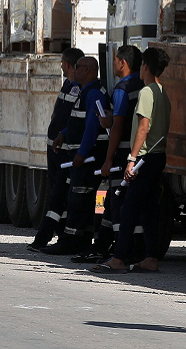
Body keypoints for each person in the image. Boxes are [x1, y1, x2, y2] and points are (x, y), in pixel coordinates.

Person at [92, 47, 172, 274]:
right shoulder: (162, 92)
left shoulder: (147, 92)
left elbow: (143, 127)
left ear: (145, 66)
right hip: (158, 156)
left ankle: (119, 258)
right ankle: (150, 257)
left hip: (145, 158)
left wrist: (131, 159)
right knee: (148, 208)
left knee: (128, 207)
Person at [77, 45, 144, 264]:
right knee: (124, 203)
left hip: (123, 154)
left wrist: (108, 159)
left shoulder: (122, 89)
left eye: (115, 60)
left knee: (117, 203)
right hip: (140, 154)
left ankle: (121, 252)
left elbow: (118, 126)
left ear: (123, 63)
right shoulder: (142, 86)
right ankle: (110, 247)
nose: (113, 64)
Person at [29, 47, 84, 253]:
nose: (61, 66)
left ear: (68, 64)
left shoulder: (79, 89)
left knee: (58, 195)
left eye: (62, 62)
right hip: (54, 147)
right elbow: (57, 112)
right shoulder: (67, 84)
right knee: (55, 190)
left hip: (64, 150)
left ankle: (43, 238)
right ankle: (61, 235)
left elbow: (74, 120)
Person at [53, 56, 110, 254]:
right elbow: (77, 121)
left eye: (77, 67)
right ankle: (81, 242)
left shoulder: (94, 94)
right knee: (79, 198)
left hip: (87, 159)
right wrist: (63, 134)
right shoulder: (84, 92)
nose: (74, 70)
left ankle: (71, 242)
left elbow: (92, 128)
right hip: (80, 156)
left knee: (79, 200)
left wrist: (82, 153)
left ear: (86, 70)